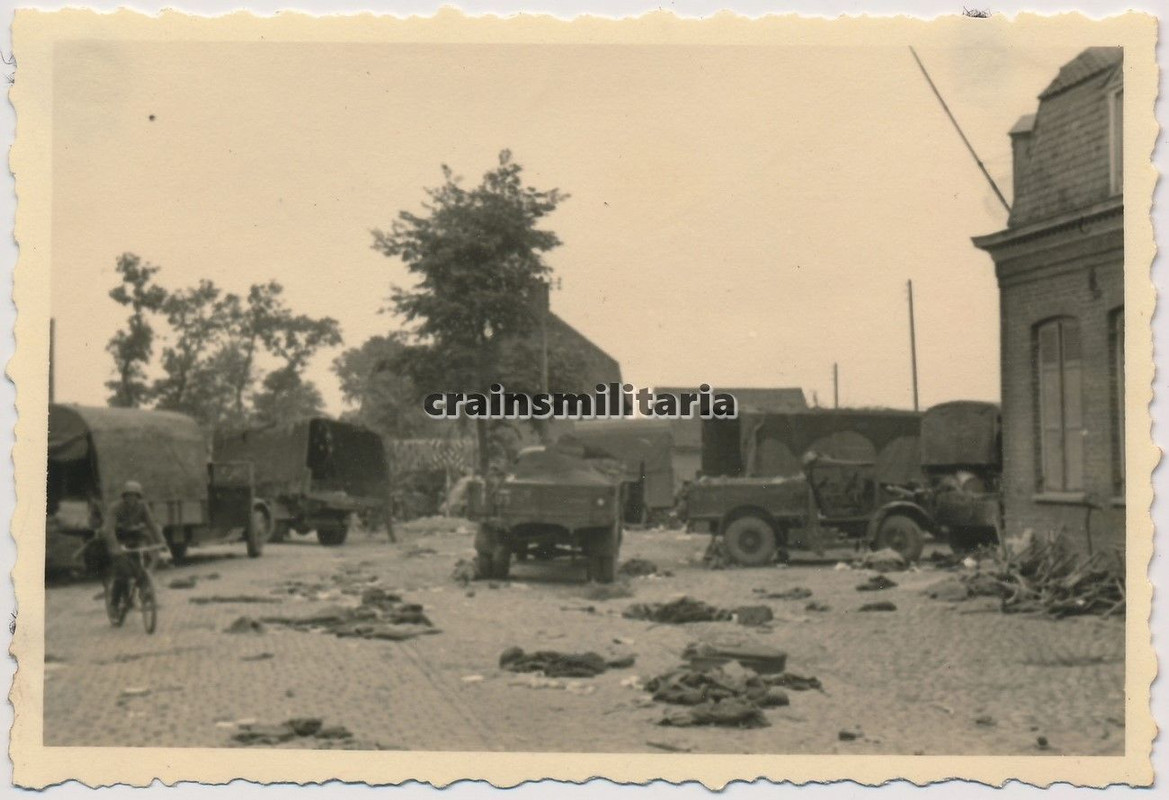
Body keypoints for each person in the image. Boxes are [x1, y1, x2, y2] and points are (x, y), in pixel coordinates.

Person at [101, 481, 167, 605]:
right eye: (128, 496)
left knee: (148, 560)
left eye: (134, 496)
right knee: (123, 572)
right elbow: (108, 529)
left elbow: (152, 524)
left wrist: (162, 541)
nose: (131, 498)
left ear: (138, 496)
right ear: (124, 496)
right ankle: (114, 603)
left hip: (134, 538)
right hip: (118, 539)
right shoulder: (115, 507)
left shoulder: (142, 507)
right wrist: (115, 548)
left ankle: (144, 590)